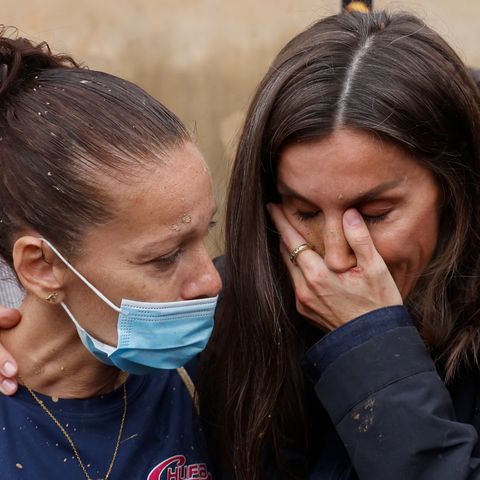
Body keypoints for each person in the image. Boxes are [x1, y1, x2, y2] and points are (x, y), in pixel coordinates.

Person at [197, 9, 480, 480]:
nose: (335, 255)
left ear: (453, 192)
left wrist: (371, 346)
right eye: (303, 212)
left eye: (375, 215)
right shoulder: (221, 306)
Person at [0, 31, 221, 479]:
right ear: (42, 267)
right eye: (165, 256)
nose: (211, 281)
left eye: (206, 233)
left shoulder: (206, 376)